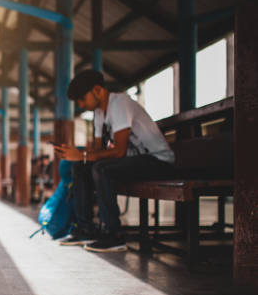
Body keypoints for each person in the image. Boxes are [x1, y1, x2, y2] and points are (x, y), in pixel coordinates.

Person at [53, 69, 175, 252]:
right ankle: (86, 229)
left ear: (97, 90)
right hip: (135, 162)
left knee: (101, 169)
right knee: (80, 168)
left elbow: (119, 152)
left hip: (157, 161)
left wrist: (83, 155)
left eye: (82, 98)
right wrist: (76, 154)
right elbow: (97, 151)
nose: (80, 104)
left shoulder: (119, 104)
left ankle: (114, 234)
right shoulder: (99, 113)